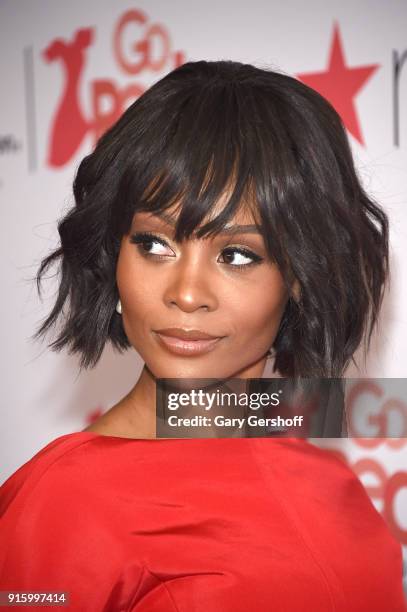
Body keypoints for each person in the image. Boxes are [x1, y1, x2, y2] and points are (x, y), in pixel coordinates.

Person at [0, 60, 406, 611]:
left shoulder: (334, 485)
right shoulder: (64, 499)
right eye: (154, 244)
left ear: (301, 278)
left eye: (238, 254)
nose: (187, 293)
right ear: (112, 256)